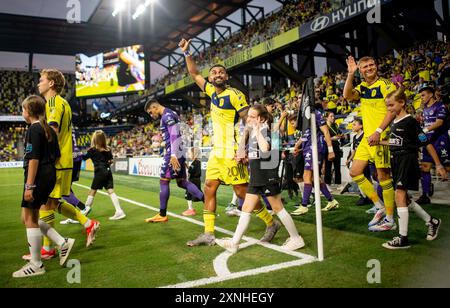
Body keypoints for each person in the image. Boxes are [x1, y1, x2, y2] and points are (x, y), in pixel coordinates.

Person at [179, 38, 280, 246]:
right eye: (214, 72)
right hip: (217, 152)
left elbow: (250, 123)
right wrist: (186, 53)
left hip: (233, 151)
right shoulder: (209, 91)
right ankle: (208, 233)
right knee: (209, 186)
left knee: (242, 192)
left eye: (221, 72)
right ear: (211, 77)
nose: (217, 74)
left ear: (227, 77)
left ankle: (271, 223)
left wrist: (243, 149)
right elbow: (194, 74)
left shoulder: (234, 95)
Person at [27, 69, 99, 260]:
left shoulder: (52, 104)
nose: (38, 83)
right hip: (65, 160)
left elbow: (52, 134)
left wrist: (42, 159)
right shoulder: (63, 103)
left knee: (44, 205)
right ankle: (86, 223)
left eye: (41, 80)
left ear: (51, 83)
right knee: (53, 203)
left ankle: (48, 248)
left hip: (56, 162)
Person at [216, 105, 305, 253]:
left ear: (261, 118)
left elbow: (265, 150)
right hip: (256, 177)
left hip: (267, 176)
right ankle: (234, 243)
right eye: (248, 116)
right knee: (246, 208)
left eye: (252, 116)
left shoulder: (267, 131)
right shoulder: (252, 133)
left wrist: (256, 131)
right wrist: (242, 157)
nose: (248, 118)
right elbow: (255, 155)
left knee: (278, 208)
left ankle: (296, 238)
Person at [14, 96, 75, 278]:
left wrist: (30, 185)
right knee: (27, 218)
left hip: (38, 176)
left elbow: (33, 159)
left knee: (30, 219)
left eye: (23, 109)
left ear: (29, 111)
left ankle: (36, 264)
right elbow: (56, 155)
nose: (22, 112)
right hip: (49, 175)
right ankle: (62, 242)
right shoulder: (48, 128)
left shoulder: (34, 129)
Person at [382, 88, 447, 249]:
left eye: (391, 105)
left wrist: (438, 164)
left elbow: (426, 143)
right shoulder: (395, 122)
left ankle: (403, 238)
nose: (388, 109)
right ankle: (431, 221)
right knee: (406, 200)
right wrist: (380, 142)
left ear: (402, 103)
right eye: (387, 106)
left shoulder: (411, 122)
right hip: (396, 161)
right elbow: (398, 142)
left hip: (407, 160)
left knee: (399, 195)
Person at [344, 56, 397, 232]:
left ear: (377, 65)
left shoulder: (386, 85)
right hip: (367, 139)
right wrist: (350, 74)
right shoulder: (363, 87)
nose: (369, 68)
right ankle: (379, 205)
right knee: (355, 172)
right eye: (365, 66)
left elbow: (392, 110)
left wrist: (379, 131)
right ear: (360, 70)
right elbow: (347, 96)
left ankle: (390, 218)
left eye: (372, 65)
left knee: (383, 177)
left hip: (382, 137)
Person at [144, 100, 204, 223]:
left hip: (174, 153)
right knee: (181, 182)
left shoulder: (167, 116)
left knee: (164, 181)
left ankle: (162, 214)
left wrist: (173, 154)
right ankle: (206, 200)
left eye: (151, 112)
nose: (151, 115)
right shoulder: (172, 113)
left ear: (154, 107)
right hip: (179, 152)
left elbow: (174, 134)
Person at [291, 106, 339, 215]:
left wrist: (331, 150)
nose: (299, 101)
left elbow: (326, 132)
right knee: (315, 178)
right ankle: (331, 201)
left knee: (306, 176)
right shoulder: (303, 116)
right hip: (308, 149)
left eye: (300, 99)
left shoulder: (315, 113)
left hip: (315, 149)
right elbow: (305, 135)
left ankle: (304, 205)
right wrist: (297, 145)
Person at [416, 84, 450, 205]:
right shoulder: (424, 109)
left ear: (431, 94)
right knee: (425, 167)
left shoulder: (440, 106)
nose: (422, 98)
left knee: (446, 168)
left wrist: (425, 130)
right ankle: (425, 195)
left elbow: (439, 123)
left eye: (423, 95)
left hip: (440, 141)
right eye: (421, 96)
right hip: (428, 141)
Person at [82, 130, 126, 221]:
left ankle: (84, 212)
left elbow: (84, 158)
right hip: (108, 171)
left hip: (99, 172)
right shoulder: (108, 149)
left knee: (92, 192)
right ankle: (119, 211)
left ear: (95, 139)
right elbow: (111, 161)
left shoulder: (92, 150)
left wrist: (78, 154)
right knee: (110, 191)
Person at [60, 133, 89, 225]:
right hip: (76, 156)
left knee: (64, 191)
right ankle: (73, 216)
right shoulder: (68, 127)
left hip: (70, 159)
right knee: (68, 190)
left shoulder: (59, 126)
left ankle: (83, 207)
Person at [324, 112, 343, 186]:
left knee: (337, 166)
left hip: (336, 147)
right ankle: (327, 183)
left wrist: (341, 136)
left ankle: (338, 183)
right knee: (328, 166)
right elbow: (324, 138)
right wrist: (332, 138)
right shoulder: (325, 127)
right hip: (328, 147)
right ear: (327, 118)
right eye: (331, 116)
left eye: (333, 116)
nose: (333, 118)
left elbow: (338, 134)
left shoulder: (335, 125)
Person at [183, 147, 203, 216]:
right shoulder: (196, 162)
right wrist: (187, 166)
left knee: (191, 195)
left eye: (190, 154)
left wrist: (188, 168)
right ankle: (190, 209)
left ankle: (191, 209)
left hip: (194, 181)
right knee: (191, 195)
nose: (189, 155)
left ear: (194, 154)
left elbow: (192, 171)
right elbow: (191, 170)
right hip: (194, 181)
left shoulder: (196, 162)